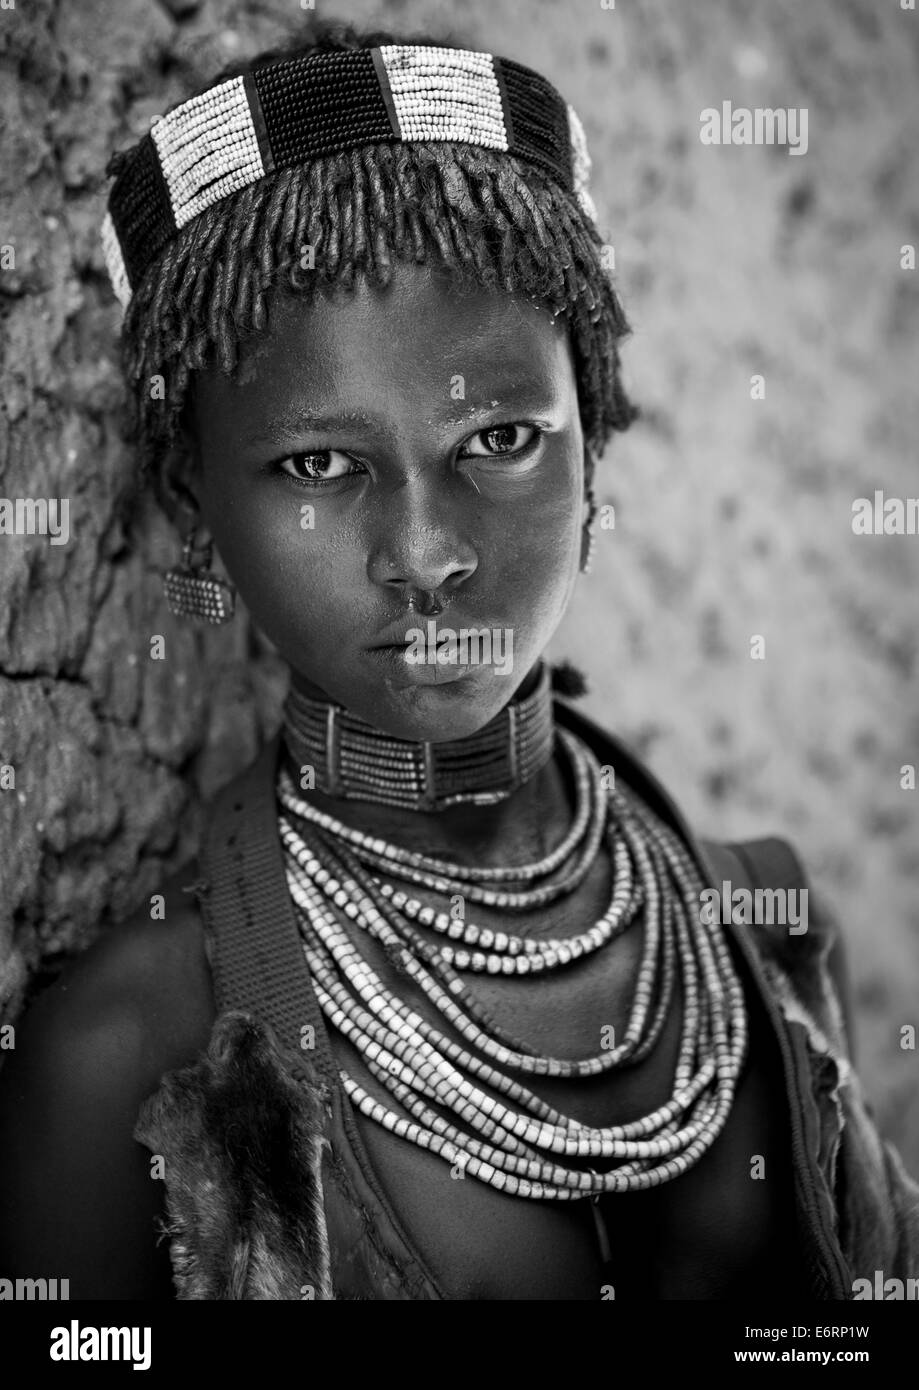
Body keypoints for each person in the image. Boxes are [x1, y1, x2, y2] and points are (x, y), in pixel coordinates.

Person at [0, 17, 916, 1302]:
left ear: (594, 433)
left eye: (499, 437)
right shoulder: (126, 1055)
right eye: (317, 464)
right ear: (195, 501)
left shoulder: (768, 939)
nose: (425, 555)